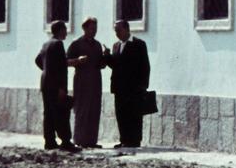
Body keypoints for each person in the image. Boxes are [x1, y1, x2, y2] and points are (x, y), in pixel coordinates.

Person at [101, 18, 151, 149]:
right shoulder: (116, 46)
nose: (117, 33)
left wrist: (144, 85)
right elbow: (115, 65)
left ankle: (134, 140)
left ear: (127, 29)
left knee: (134, 114)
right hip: (119, 87)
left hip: (134, 87)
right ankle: (124, 139)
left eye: (119, 30)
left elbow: (145, 66)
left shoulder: (139, 44)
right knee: (121, 114)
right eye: (115, 31)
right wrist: (107, 56)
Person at [33, 20, 79, 152]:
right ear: (60, 30)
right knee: (61, 113)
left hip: (45, 83)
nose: (66, 32)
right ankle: (65, 141)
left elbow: (37, 60)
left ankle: (50, 141)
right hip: (55, 85)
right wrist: (61, 88)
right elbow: (60, 68)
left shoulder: (46, 44)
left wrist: (46, 70)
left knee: (48, 113)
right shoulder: (58, 44)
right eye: (64, 29)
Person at [66, 17, 106, 148]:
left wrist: (106, 56)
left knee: (94, 110)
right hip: (82, 81)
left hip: (95, 81)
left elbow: (101, 65)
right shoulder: (76, 43)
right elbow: (66, 61)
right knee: (82, 109)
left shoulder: (97, 44)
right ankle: (79, 140)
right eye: (91, 28)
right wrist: (78, 60)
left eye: (96, 29)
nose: (94, 31)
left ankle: (92, 141)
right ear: (84, 28)